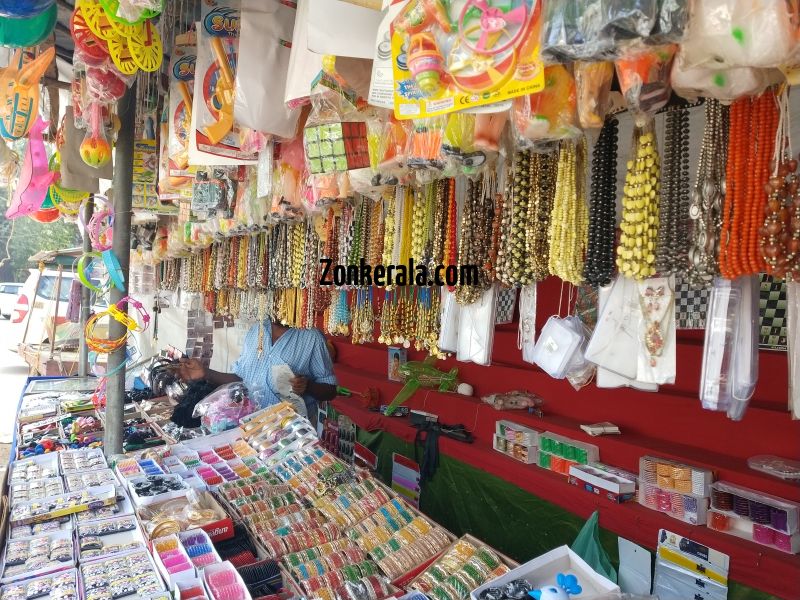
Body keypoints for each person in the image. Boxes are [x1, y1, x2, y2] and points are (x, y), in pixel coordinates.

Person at [177, 319, 337, 426]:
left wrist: (307, 386)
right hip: (250, 426)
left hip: (290, 432)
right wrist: (206, 373)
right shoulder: (256, 330)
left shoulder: (311, 337)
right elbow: (241, 379)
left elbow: (330, 390)